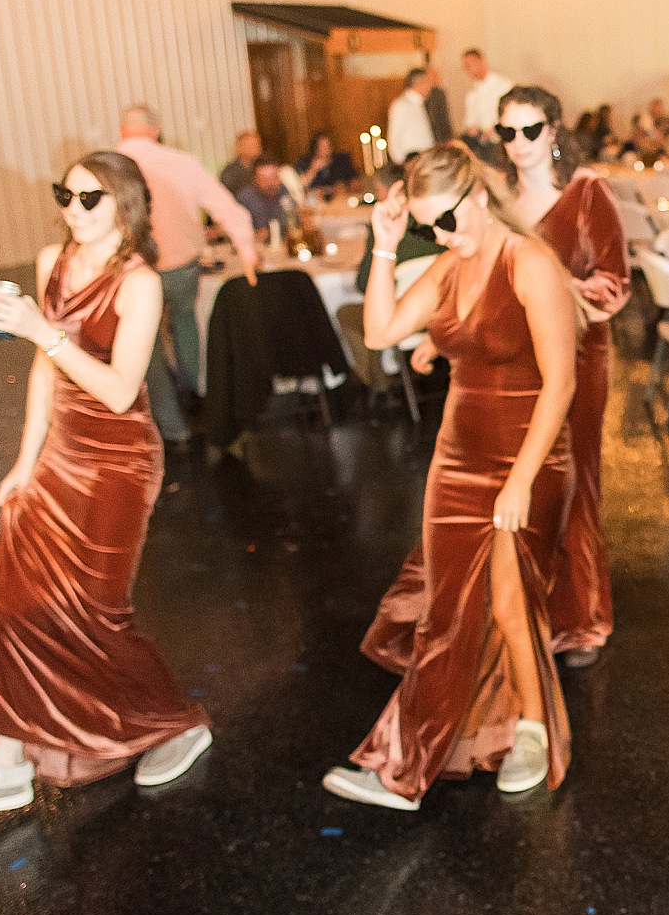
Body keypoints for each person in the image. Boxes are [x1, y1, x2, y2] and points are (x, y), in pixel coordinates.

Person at [0, 154, 213, 820]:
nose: (73, 209)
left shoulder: (139, 283)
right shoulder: (51, 259)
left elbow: (118, 391)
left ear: (125, 206)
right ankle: (5, 765)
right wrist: (25, 462)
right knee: (18, 599)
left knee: (97, 612)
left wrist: (41, 330)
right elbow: (43, 371)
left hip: (118, 463)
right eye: (66, 194)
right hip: (60, 452)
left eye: (90, 198)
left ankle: (177, 723)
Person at [329, 143, 581, 811]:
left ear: (479, 196)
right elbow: (379, 331)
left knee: (509, 599)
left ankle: (533, 731)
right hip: (458, 457)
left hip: (531, 454)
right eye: (427, 226)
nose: (441, 235)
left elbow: (561, 384)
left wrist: (521, 479)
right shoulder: (447, 265)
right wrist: (386, 246)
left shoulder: (530, 263)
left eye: (447, 218)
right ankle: (408, 760)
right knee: (444, 609)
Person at [498, 87, 630, 664]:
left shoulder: (586, 193)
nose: (519, 143)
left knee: (575, 480)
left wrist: (553, 293)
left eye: (530, 130)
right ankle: (528, 610)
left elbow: (615, 283)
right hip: (517, 360)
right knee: (526, 482)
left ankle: (582, 618)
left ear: (553, 131)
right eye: (508, 132)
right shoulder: (499, 199)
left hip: (579, 355)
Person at [115, 104, 258, 450]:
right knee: (185, 323)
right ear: (156, 130)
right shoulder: (182, 162)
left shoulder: (112, 166)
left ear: (122, 130)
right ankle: (196, 395)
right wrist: (248, 253)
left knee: (148, 347)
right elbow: (229, 210)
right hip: (182, 267)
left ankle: (173, 427)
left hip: (134, 272)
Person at [458, 48, 514, 151]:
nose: (469, 70)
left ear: (481, 61)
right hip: (483, 146)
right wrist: (474, 131)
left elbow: (511, 114)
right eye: (466, 67)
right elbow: (470, 123)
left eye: (470, 65)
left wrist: (492, 131)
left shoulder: (503, 86)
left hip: (502, 142)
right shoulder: (472, 94)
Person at [236, 156, 299, 237]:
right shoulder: (245, 199)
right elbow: (237, 230)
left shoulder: (285, 192)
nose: (271, 183)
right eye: (265, 179)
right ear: (255, 180)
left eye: (274, 177)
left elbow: (294, 222)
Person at [388, 70, 437, 167]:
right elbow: (394, 140)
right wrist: (403, 164)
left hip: (424, 162)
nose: (431, 86)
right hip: (412, 163)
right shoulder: (402, 105)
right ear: (419, 83)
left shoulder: (419, 103)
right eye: (428, 82)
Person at [299, 130, 357, 195]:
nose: (326, 151)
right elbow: (298, 187)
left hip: (342, 197)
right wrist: (313, 170)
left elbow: (354, 182)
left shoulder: (342, 159)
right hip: (314, 198)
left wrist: (346, 188)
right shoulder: (304, 162)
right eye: (322, 147)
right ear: (315, 149)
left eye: (328, 146)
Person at [218, 131, 261, 195]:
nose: (256, 148)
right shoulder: (229, 173)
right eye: (251, 145)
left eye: (257, 144)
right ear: (239, 147)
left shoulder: (262, 167)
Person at [424, 68, 454, 145]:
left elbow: (444, 116)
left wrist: (449, 136)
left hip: (441, 134)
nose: (436, 78)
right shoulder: (422, 95)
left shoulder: (439, 93)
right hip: (428, 133)